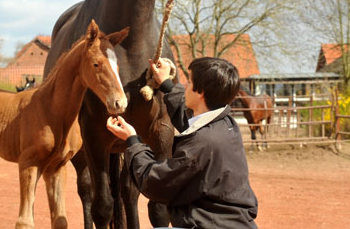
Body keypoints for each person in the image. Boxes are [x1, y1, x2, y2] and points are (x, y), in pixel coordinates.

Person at [107, 57, 258, 229]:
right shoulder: (225, 124)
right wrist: (165, 83)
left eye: (190, 82)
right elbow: (189, 121)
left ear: (200, 92)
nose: (185, 86)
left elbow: (157, 183)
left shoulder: (202, 143)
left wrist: (133, 141)